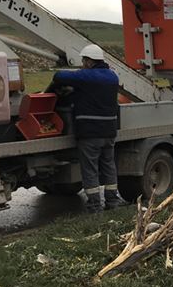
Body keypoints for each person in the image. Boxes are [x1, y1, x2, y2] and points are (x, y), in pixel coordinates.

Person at [49, 44, 125, 212]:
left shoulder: (87, 76)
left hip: (90, 132)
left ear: (90, 61)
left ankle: (94, 205)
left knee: (90, 169)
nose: (83, 64)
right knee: (109, 165)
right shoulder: (112, 76)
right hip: (109, 131)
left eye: (84, 61)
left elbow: (58, 76)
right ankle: (112, 201)